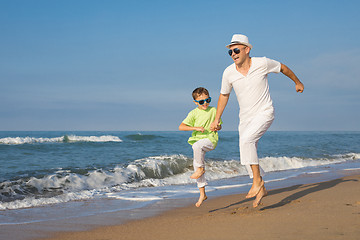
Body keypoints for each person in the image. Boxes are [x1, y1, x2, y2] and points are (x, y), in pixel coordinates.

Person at [210, 34, 304, 208]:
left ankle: (257, 182)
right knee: (246, 154)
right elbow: (224, 95)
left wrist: (297, 82)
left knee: (247, 141)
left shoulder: (262, 63)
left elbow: (282, 68)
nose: (233, 54)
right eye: (230, 52)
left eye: (236, 50)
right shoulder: (228, 72)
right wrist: (217, 118)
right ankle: (261, 189)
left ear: (247, 49)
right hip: (244, 118)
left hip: (264, 112)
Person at [179, 87, 222, 207]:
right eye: (202, 101)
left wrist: (217, 127)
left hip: (210, 140)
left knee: (196, 147)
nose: (205, 103)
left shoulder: (213, 110)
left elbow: (219, 126)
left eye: (208, 100)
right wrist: (195, 128)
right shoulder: (193, 113)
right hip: (198, 141)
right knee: (197, 166)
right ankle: (202, 194)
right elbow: (181, 126)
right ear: (195, 102)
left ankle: (200, 170)